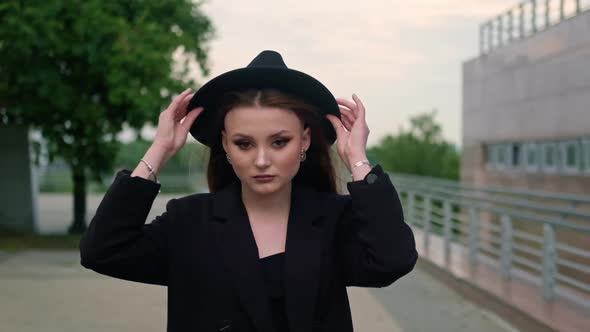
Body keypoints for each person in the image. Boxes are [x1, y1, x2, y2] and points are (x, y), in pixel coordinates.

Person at [79, 50, 418, 332]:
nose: (261, 160)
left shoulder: (334, 219)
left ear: (305, 140)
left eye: (279, 142)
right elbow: (103, 251)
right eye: (243, 143)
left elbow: (393, 260)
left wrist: (357, 159)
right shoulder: (189, 221)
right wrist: (160, 150)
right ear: (224, 145)